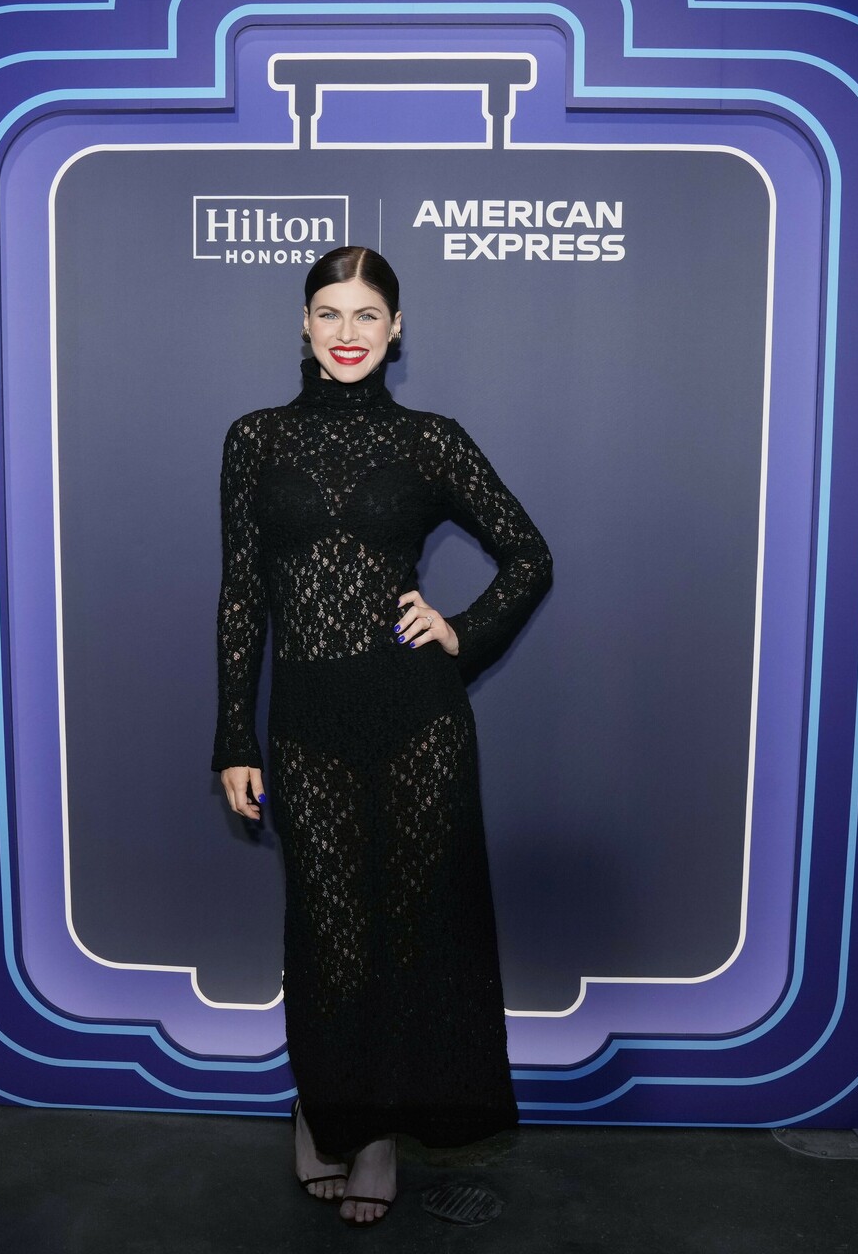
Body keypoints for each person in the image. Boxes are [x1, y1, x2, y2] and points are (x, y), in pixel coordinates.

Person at [211, 246, 553, 1227]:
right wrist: (234, 735)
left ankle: (376, 1137)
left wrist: (460, 629)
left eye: (367, 314)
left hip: (417, 719)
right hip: (309, 722)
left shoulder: (432, 440)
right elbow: (241, 596)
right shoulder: (255, 438)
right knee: (330, 933)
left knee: (410, 933)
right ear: (304, 324)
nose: (348, 331)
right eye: (330, 312)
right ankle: (324, 1109)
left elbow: (529, 555)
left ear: (396, 328)